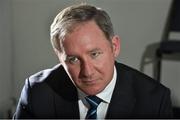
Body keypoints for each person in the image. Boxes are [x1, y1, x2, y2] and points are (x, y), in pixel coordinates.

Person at [14, 3, 173, 119]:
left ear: (114, 47)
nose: (87, 72)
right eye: (73, 59)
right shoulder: (38, 92)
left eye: (95, 54)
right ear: (59, 56)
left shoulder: (153, 100)